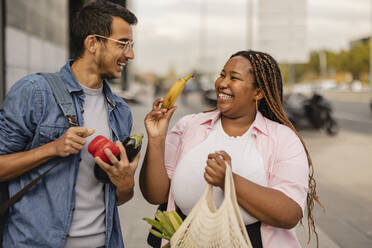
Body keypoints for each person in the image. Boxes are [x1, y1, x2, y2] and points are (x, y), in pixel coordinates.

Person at [140, 50, 321, 248]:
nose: (222, 83)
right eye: (222, 75)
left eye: (234, 77)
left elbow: (289, 213)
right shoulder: (188, 126)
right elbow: (155, 195)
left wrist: (230, 181)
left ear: (258, 92)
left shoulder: (284, 139)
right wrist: (156, 139)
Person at [0, 1, 139, 247]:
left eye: (131, 45)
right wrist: (52, 149)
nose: (130, 54)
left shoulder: (121, 112)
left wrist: (126, 184)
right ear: (93, 43)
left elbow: (118, 197)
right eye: (122, 43)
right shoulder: (35, 92)